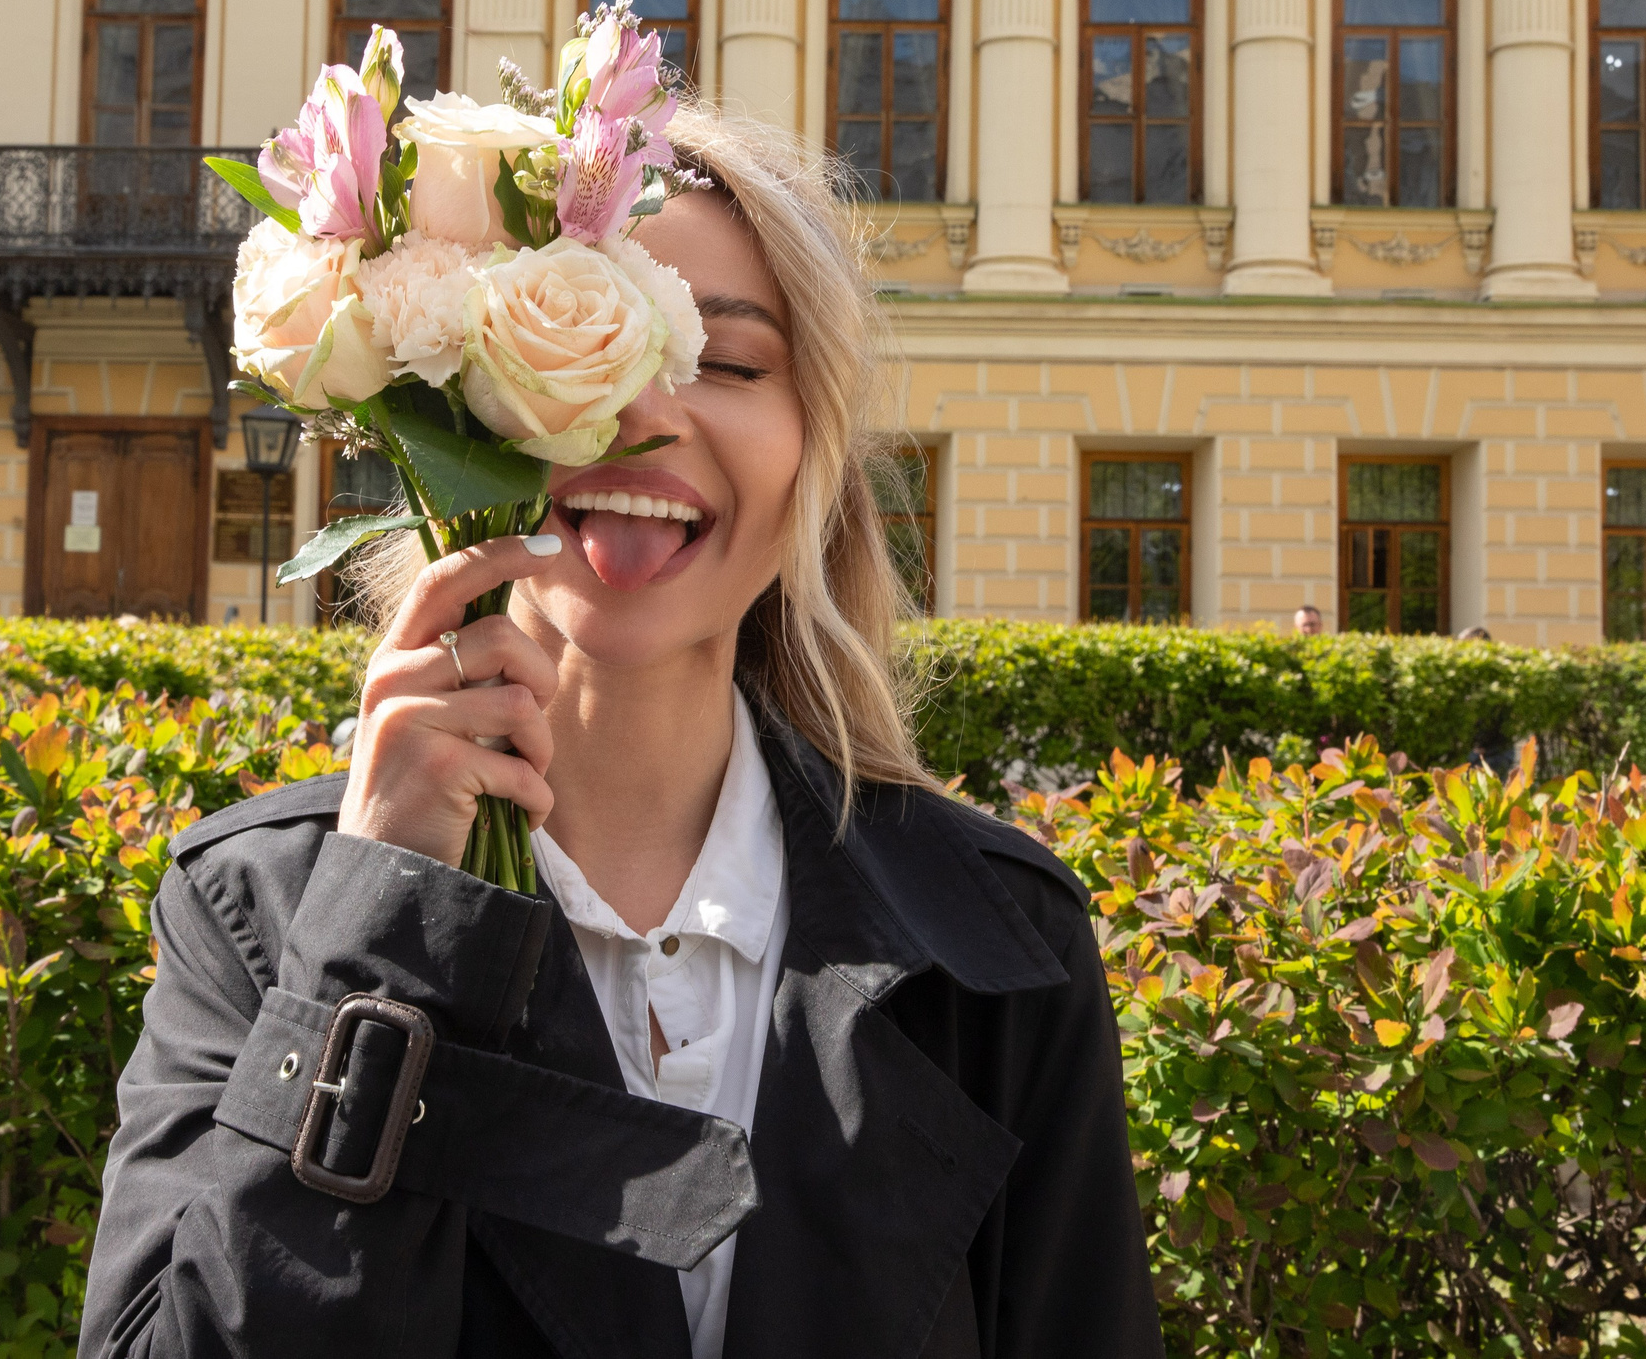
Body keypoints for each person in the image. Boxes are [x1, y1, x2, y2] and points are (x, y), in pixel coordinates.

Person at [80, 102, 1162, 1359]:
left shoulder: (996, 944)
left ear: (815, 450)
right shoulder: (258, 911)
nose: (646, 414)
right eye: (586, 343)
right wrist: (382, 927)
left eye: (729, 360)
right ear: (457, 417)